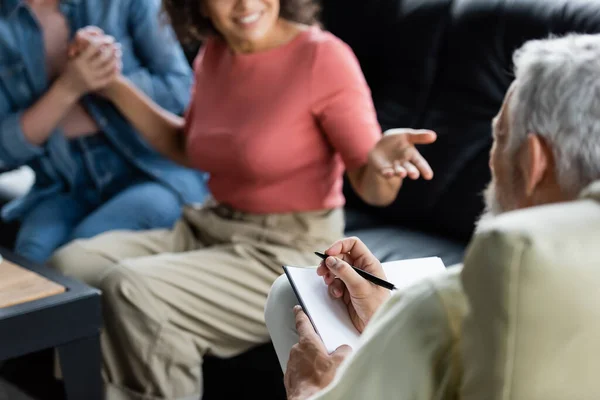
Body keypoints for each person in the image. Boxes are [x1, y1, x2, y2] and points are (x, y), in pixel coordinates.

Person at [48, 0, 441, 398]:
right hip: (209, 224)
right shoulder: (215, 53)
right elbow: (187, 145)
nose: (246, 4)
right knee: (71, 267)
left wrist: (381, 164)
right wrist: (114, 86)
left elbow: (372, 187)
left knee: (133, 289)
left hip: (285, 248)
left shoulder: (323, 57)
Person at [266, 33, 600, 399]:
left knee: (288, 297)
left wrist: (310, 391)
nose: (491, 160)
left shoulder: (446, 304)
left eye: (499, 137)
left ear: (533, 162)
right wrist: (387, 319)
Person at [0, 0, 208, 263]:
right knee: (32, 258)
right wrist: (68, 87)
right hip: (63, 187)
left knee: (79, 253)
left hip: (151, 173)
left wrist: (109, 80)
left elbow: (181, 90)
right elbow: (4, 153)